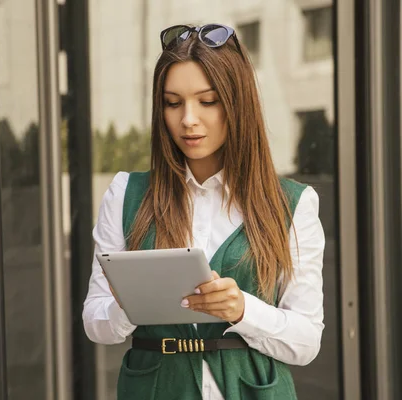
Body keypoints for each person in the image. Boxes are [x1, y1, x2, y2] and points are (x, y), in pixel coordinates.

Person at [82, 24, 325, 400]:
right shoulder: (125, 195)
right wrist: (127, 306)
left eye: (207, 101)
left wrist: (244, 309)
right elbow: (96, 325)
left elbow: (307, 342)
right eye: (172, 102)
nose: (188, 119)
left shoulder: (293, 204)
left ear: (237, 104)